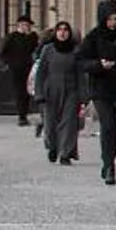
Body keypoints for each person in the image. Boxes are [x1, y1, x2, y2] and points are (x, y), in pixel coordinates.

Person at [78, 1, 116, 184]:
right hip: (101, 88)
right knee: (108, 124)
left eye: (115, 19)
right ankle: (108, 165)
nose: (113, 23)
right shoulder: (94, 36)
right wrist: (99, 65)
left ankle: (109, 159)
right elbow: (81, 61)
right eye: (109, 19)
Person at [33, 21, 84, 165]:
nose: (62, 33)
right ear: (55, 32)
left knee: (69, 122)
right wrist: (39, 93)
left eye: (66, 30)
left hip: (71, 89)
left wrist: (83, 96)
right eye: (60, 30)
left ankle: (65, 153)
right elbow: (41, 73)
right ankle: (53, 147)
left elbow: (81, 74)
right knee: (50, 123)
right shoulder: (48, 49)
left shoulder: (75, 51)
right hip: (51, 89)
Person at [2, 14, 40, 126]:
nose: (27, 27)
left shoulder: (32, 37)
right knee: (19, 91)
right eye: (24, 25)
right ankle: (21, 116)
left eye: (28, 25)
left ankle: (25, 114)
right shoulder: (12, 37)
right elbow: (4, 52)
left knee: (28, 91)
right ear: (19, 25)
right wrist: (9, 63)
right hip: (16, 69)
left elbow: (36, 48)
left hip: (29, 68)